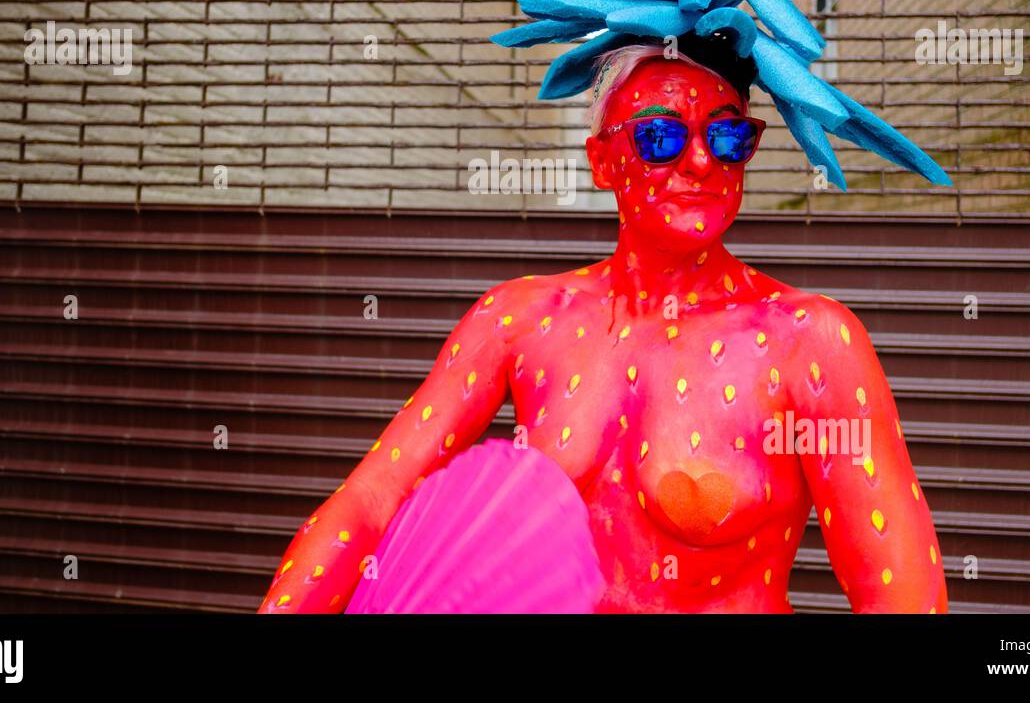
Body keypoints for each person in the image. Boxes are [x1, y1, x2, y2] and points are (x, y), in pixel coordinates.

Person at [259, 42, 949, 613]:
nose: (702, 161)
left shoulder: (813, 342)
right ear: (601, 161)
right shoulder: (518, 320)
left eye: (729, 133)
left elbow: (902, 601)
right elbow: (373, 500)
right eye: (659, 136)